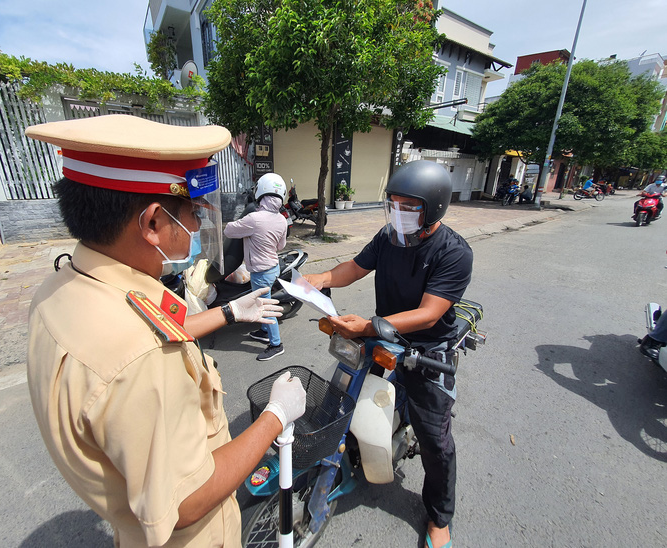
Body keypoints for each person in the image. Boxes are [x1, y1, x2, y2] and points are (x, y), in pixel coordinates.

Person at [24, 115, 307, 548]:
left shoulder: (62, 287)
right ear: (153, 223)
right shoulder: (139, 358)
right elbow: (187, 500)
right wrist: (276, 417)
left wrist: (229, 313)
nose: (197, 226)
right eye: (193, 212)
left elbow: (157, 329)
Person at [304, 160, 473, 548]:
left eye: (408, 207)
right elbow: (356, 266)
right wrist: (322, 278)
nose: (398, 214)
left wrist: (365, 325)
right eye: (393, 204)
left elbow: (430, 312)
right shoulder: (389, 236)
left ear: (433, 210)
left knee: (436, 439)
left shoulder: (454, 253)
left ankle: (439, 516)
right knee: (342, 390)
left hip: (426, 348)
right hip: (381, 335)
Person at [224, 173, 288, 361]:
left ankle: (276, 344)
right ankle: (263, 331)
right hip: (272, 267)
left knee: (265, 308)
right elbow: (281, 246)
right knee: (263, 303)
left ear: (260, 192)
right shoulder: (282, 220)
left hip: (260, 272)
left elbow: (229, 230)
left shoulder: (254, 218)